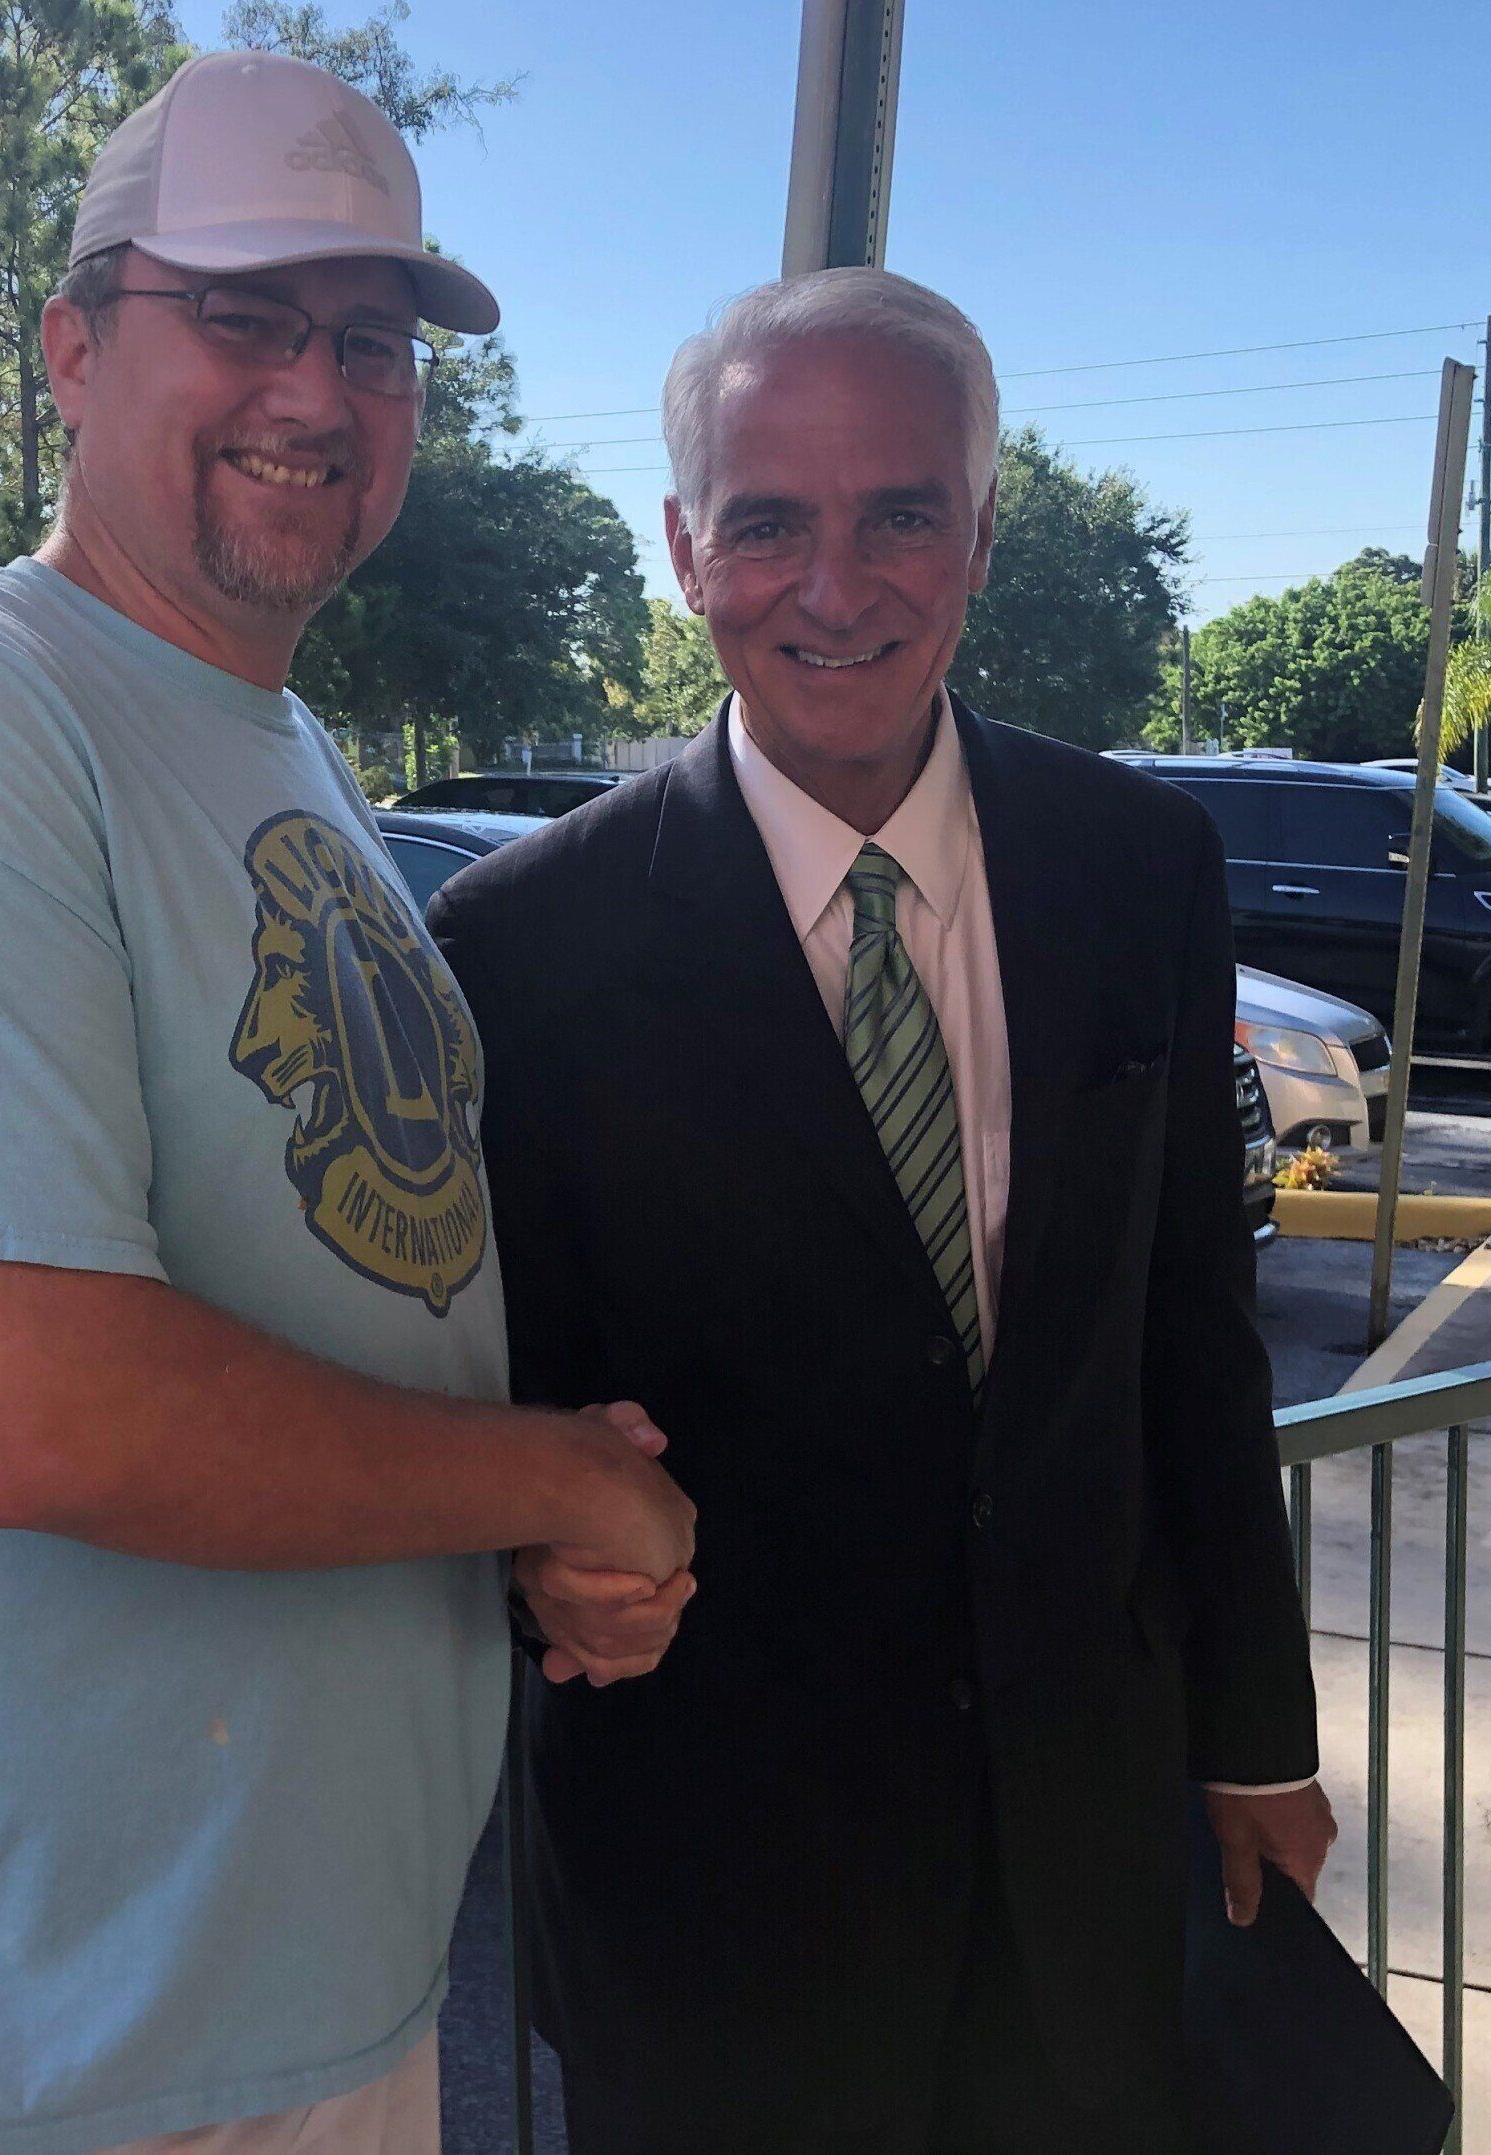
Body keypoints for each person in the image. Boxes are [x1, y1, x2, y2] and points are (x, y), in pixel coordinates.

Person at [0, 50, 692, 2155]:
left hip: (293, 2006)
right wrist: (546, 1486)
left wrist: (518, 1525)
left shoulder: (285, 745)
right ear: (73, 346)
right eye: (241, 313)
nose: (317, 393)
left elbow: (344, 1297)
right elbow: (38, 1402)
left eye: (370, 340)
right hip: (30, 2050)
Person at [426, 268, 1335, 2155]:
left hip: (1081, 1874)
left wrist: (1257, 1732)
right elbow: (496, 1420)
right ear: (688, 549)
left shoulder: (1138, 868)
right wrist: (535, 1565)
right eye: (769, 522)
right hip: (719, 1915)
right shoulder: (521, 947)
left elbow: (1190, 1328)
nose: (833, 588)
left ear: (982, 532)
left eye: (899, 514)